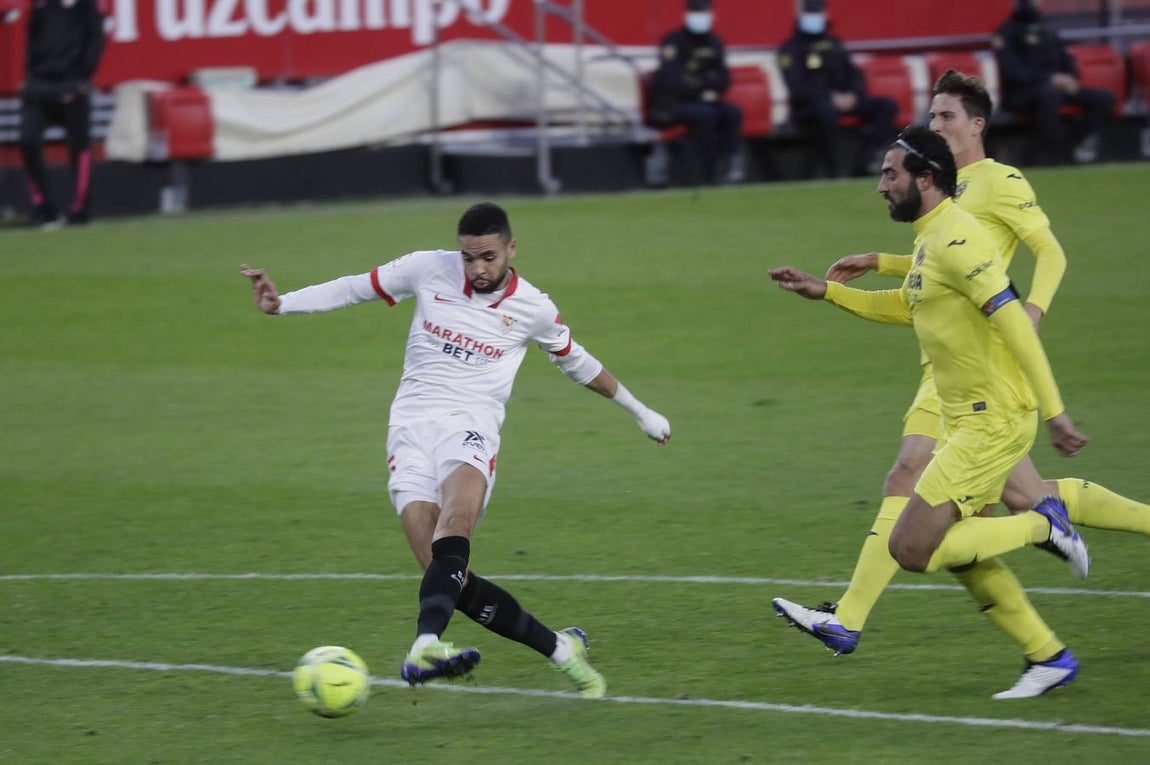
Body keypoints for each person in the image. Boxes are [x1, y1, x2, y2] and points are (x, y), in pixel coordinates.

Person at [771, 72, 1150, 698]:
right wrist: (842, 284)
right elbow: (923, 287)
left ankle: (858, 614)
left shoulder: (989, 192)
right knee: (962, 529)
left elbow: (1039, 259)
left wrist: (1033, 327)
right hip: (954, 374)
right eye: (933, 116)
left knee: (923, 517)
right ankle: (1046, 652)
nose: (936, 125)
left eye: (946, 116)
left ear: (973, 126)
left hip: (989, 386)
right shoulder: (937, 219)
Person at [241, 202, 671, 698]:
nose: (477, 269)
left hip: (470, 427)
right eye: (468, 258)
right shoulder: (428, 268)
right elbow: (357, 286)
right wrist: (281, 303)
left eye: (487, 257)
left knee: (456, 524)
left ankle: (425, 644)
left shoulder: (532, 307)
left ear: (511, 249)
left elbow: (577, 362)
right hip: (409, 427)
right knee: (447, 578)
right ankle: (559, 649)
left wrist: (640, 411)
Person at [777, 0, 897, 178]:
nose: (814, 16)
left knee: (886, 105)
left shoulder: (834, 44)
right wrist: (830, 97)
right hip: (810, 107)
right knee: (825, 113)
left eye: (817, 11)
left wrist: (853, 94)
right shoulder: (790, 48)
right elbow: (798, 88)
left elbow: (854, 74)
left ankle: (868, 159)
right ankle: (836, 169)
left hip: (845, 100)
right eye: (810, 11)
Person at [993, 0, 1116, 164]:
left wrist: (1071, 78)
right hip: (1022, 93)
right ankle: (1052, 156)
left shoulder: (1047, 29)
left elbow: (1066, 59)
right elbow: (1014, 72)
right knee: (1050, 95)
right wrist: (1049, 79)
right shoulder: (1005, 33)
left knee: (1104, 99)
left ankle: (1068, 145)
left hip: (1057, 87)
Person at [19, 0, 105, 228]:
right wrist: (30, 77)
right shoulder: (42, 7)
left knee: (79, 148)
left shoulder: (88, 8)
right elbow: (31, 39)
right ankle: (42, 207)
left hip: (72, 86)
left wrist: (82, 79)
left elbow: (96, 41)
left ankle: (80, 209)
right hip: (39, 86)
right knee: (28, 140)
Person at [648, 0, 744, 184]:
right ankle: (709, 169)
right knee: (706, 116)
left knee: (732, 112)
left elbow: (724, 80)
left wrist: (700, 84)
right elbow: (672, 81)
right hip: (672, 104)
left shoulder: (714, 42)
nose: (701, 16)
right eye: (696, 11)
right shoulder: (673, 41)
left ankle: (730, 162)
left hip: (702, 100)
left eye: (704, 11)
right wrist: (706, 83)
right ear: (687, 14)